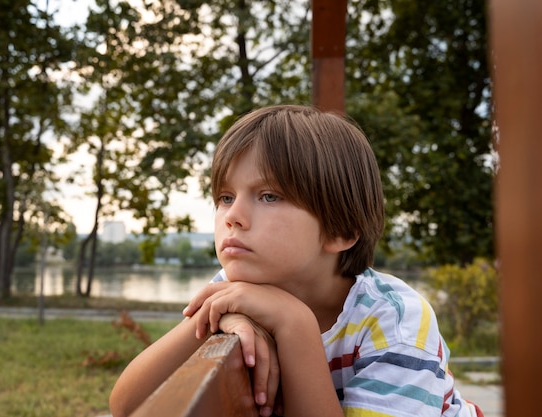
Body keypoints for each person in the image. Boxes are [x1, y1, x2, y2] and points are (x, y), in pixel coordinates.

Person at [109, 105, 483, 417]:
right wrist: (224, 318)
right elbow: (129, 405)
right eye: (225, 196)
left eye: (269, 196)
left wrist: (293, 322)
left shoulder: (396, 321)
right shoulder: (234, 288)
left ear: (340, 230)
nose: (232, 216)